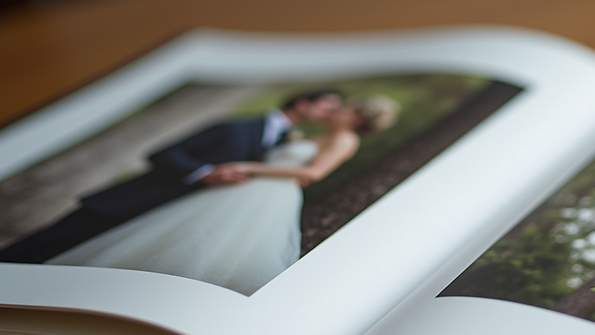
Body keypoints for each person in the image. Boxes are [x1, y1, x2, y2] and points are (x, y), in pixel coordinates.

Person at [45, 95, 400, 295]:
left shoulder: (343, 140)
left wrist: (248, 167)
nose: (339, 111)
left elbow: (312, 172)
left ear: (356, 117)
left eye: (347, 107)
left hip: (264, 196)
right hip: (248, 190)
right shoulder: (312, 136)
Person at [0, 89, 343, 264]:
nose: (330, 114)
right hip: (128, 203)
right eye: (327, 106)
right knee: (42, 245)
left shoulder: (287, 142)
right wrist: (204, 174)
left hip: (164, 222)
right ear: (302, 103)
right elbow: (161, 154)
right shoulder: (236, 126)